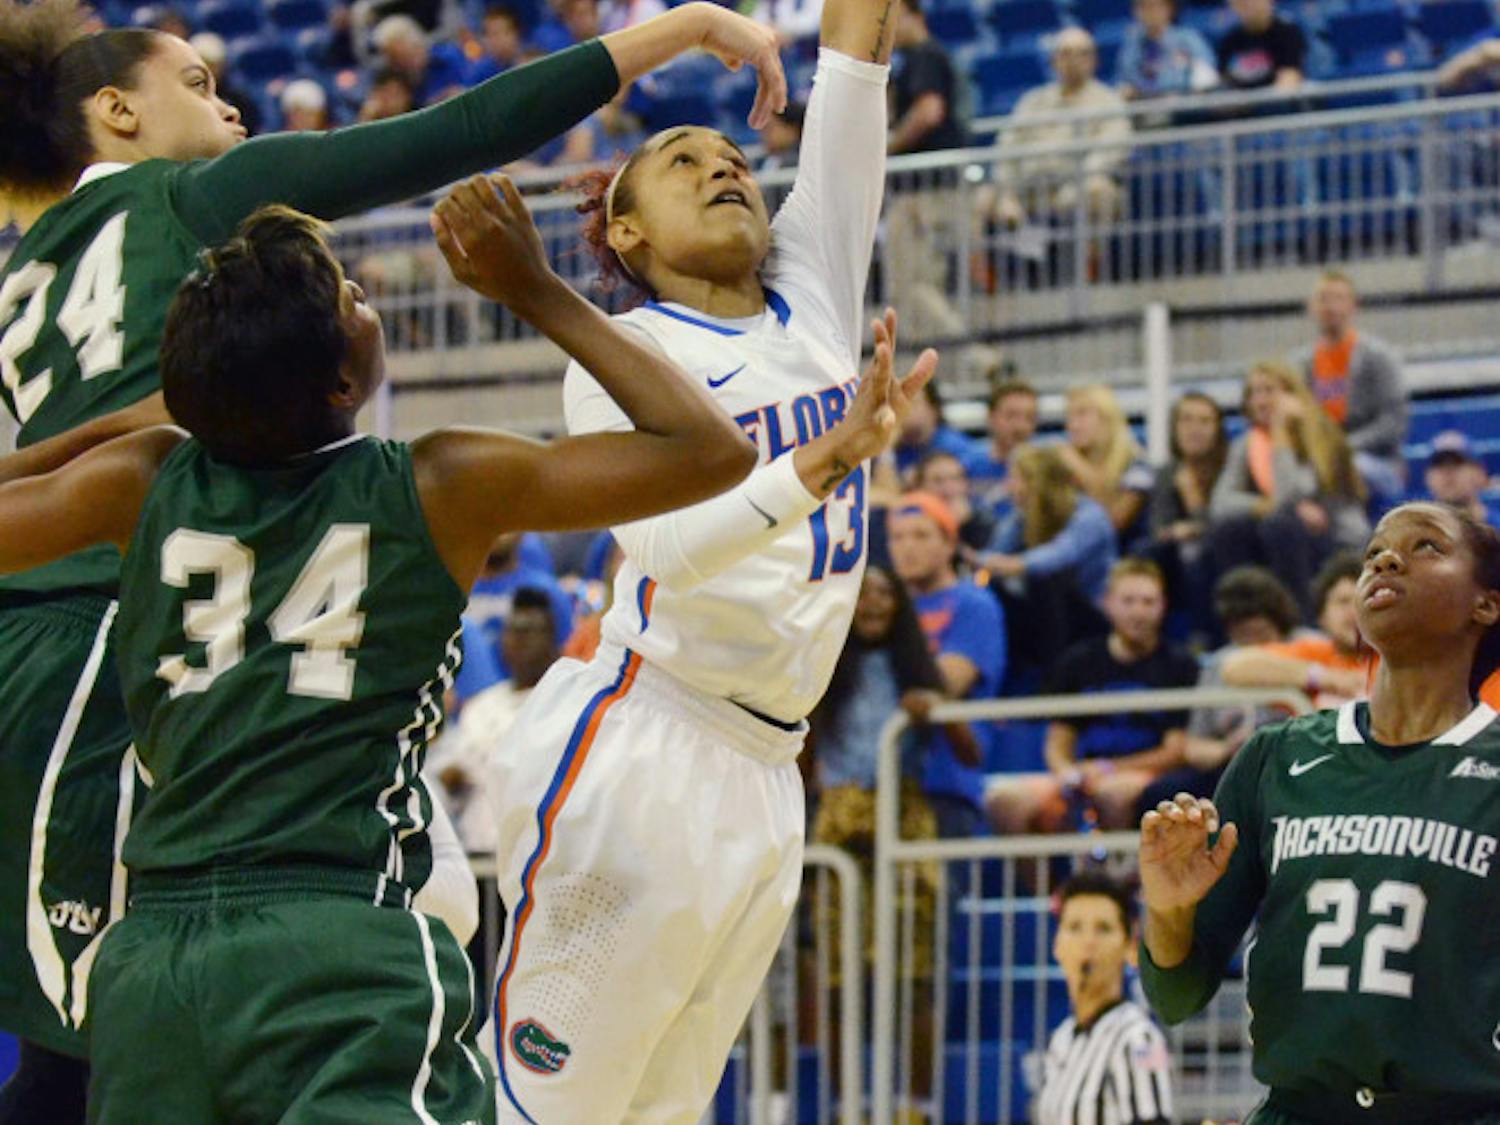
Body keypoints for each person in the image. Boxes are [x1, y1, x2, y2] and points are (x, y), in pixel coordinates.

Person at [0, 2, 783, 1115]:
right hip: (120, 677)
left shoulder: (49, 310)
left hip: (62, 638)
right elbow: (458, 131)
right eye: (197, 80)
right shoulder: (424, 470)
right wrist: (684, 26)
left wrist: (109, 434)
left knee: (79, 1045)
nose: (230, 105)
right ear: (115, 112)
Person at [487, 0, 932, 1113]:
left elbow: (854, 56)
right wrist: (825, 462)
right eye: (681, 161)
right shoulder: (629, 350)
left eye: (732, 156)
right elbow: (672, 548)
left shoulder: (814, 299)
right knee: (544, 1111)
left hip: (769, 775)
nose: (720, 167)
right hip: (649, 746)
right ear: (625, 234)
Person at [1139, 501, 1500, 1122]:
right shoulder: (1277, 757)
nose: (1386, 558)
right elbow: (1174, 995)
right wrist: (1169, 908)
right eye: (1375, 554)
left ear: (1485, 604)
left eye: (1427, 548)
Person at [806, 564, 976, 1105]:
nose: (873, 603)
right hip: (837, 827)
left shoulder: (918, 673)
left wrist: (938, 712)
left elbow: (972, 752)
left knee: (914, 975)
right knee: (837, 979)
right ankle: (845, 1107)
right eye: (862, 593)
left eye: (884, 593)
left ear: (900, 604)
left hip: (904, 822)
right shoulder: (820, 672)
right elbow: (803, 762)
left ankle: (916, 1109)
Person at [985, 558, 1198, 833]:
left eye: (1148, 602)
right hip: (1086, 772)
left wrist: (1110, 769)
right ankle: (1053, 878)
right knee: (1006, 800)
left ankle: (1117, 875)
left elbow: (1174, 751)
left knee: (1113, 793)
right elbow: (1058, 740)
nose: (1138, 612)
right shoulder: (1078, 661)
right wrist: (1067, 773)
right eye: (1129, 601)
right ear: (1107, 603)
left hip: (1144, 776)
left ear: (1163, 606)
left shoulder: (1180, 665)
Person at [1137, 564, 1303, 817]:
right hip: (1233, 764)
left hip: (1294, 759)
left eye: (1260, 634)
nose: (1253, 646)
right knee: (1161, 794)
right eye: (1243, 636)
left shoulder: (1309, 648)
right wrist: (1227, 748)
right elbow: (1194, 746)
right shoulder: (1217, 665)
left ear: (1278, 622)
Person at [1207, 361, 1369, 617]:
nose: (1260, 401)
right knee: (1230, 529)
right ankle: (1241, 620)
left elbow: (1288, 494)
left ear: (1292, 394)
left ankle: (1301, 621)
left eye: (1269, 391)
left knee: (1280, 525)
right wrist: (1263, 505)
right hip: (1283, 535)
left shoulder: (1322, 437)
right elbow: (1221, 503)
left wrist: (1281, 433)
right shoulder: (1247, 445)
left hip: (1338, 541)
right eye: (1253, 393)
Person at [888, 492, 1004, 837]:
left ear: (949, 543)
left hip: (946, 781)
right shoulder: (879, 606)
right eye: (898, 537)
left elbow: (947, 683)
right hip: (876, 780)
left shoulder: (974, 604)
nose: (908, 547)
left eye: (921, 535)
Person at [430, 587, 561, 855]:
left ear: (552, 640)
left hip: (539, 855)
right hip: (478, 852)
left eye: (530, 630)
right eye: (514, 629)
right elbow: (453, 774)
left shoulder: (567, 703)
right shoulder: (480, 706)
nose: (520, 638)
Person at [1036, 872, 1174, 1125]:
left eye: (1103, 928)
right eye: (1075, 927)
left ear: (1130, 946)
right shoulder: (1061, 1039)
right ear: (1057, 945)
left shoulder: (1140, 1038)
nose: (1088, 942)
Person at [978, 442, 1116, 669]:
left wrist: (1015, 565)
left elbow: (1061, 553)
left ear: (1036, 482)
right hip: (1048, 619)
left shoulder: (1090, 515)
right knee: (991, 593)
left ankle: (1052, 678)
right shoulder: (1020, 519)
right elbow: (994, 553)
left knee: (1047, 580)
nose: (1008, 487)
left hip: (1095, 618)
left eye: (1014, 478)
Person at [992, 27, 1133, 231]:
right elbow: (1006, 148)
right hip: (1030, 189)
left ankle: (1089, 262)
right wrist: (1007, 195)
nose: (1074, 60)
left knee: (1098, 191)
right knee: (981, 200)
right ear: (1053, 60)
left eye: (1082, 53)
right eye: (1066, 53)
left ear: (1095, 60)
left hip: (1077, 187)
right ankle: (981, 264)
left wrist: (1077, 184)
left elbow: (1111, 150)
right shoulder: (1033, 101)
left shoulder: (1108, 101)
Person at [885, 0, 968, 339]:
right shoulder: (911, 62)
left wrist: (887, 147)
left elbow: (928, 111)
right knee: (917, 283)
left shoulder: (925, 56)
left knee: (912, 282)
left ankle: (978, 356)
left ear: (914, 16)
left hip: (926, 191)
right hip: (921, 189)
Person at [1294, 271, 1408, 503]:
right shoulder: (1300, 364)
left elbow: (1393, 422)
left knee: (1341, 471)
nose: (1331, 306)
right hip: (1321, 459)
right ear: (1311, 307)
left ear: (1354, 306)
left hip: (1375, 461)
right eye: (1323, 299)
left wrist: (1342, 448)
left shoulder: (1378, 357)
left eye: (1339, 298)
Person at [1221, 550, 1370, 709]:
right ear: (1322, 617)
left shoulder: (1395, 661)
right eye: (1343, 601)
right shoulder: (1315, 654)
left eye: (1364, 600)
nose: (1354, 612)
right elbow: (1236, 667)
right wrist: (1324, 677)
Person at [1146, 391, 1228, 635]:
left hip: (1220, 557)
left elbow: (1224, 524)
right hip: (1174, 560)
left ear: (1218, 430)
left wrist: (1193, 500)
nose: (1195, 429)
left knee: (1194, 553)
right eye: (1186, 420)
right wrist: (1179, 531)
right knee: (1148, 552)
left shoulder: (1229, 468)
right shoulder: (1166, 472)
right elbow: (1158, 528)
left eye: (1204, 421)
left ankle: (1203, 637)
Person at [467, 532, 575, 680]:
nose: (500, 534)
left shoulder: (547, 591)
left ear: (523, 532)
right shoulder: (453, 588)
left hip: (529, 695)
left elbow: (568, 658)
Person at [1059, 382, 1155, 539]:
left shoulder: (1138, 465)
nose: (1072, 425)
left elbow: (1114, 522)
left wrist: (1076, 464)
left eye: (1081, 414)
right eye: (1068, 416)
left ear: (1107, 418)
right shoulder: (1066, 467)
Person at [1115, 0, 1216, 102]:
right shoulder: (1131, 46)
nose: (1150, 12)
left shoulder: (1189, 39)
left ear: (1169, 8)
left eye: (1155, 6)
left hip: (1184, 107)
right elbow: (1122, 81)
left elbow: (1208, 75)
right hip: (1144, 106)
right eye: (1142, 6)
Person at [969, 376, 1039, 515]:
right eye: (1011, 416)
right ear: (991, 418)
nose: (1021, 426)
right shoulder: (967, 466)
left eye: (1029, 417)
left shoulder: (1044, 469)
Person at [371, 14, 471, 105]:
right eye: (394, 60)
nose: (397, 66)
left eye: (400, 56)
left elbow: (469, 88)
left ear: (415, 43)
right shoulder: (398, 81)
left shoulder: (448, 57)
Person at [894, 380, 984, 481]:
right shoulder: (897, 447)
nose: (902, 411)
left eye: (912, 403)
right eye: (896, 404)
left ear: (934, 409)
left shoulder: (955, 448)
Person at [913, 450, 994, 552]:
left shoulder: (982, 521)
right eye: (938, 481)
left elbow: (985, 562)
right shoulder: (908, 522)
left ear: (966, 484)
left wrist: (966, 525)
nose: (948, 489)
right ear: (920, 487)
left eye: (955, 479)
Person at [1216, 0, 1304, 92]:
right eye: (1241, 3)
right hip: (1241, 102)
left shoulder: (1287, 32)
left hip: (1277, 102)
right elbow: (1223, 82)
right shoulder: (1230, 40)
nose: (1249, 5)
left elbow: (1289, 80)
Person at [187, 30, 261, 134]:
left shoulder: (239, 101)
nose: (209, 70)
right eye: (204, 63)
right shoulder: (184, 101)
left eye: (213, 64)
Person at [1424, 429, 1500, 526]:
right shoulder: (1418, 535)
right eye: (1439, 464)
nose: (1448, 471)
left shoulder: (1496, 531)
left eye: (1457, 463)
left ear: (1479, 474)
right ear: (1427, 477)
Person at [467, 2, 526, 84]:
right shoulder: (479, 71)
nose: (498, 40)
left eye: (503, 32)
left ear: (515, 33)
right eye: (491, 34)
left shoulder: (530, 60)